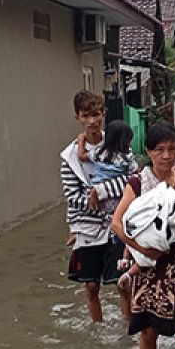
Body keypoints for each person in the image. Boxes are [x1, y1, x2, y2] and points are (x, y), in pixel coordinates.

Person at [112, 123, 175, 349]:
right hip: (148, 266)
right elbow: (117, 224)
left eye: (171, 149)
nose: (166, 156)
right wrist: (140, 248)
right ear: (149, 152)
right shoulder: (138, 183)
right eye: (159, 150)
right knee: (148, 330)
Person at [61, 90, 127, 323]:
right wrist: (91, 201)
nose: (92, 121)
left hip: (116, 222)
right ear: (77, 117)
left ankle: (129, 329)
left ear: (103, 114)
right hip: (87, 225)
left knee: (122, 281)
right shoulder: (69, 157)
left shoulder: (117, 144)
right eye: (86, 115)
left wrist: (101, 192)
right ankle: (97, 327)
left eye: (96, 114)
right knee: (90, 285)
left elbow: (131, 180)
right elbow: (71, 195)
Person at [83, 120, 137, 213]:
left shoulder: (99, 152)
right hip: (116, 196)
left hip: (97, 195)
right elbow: (134, 172)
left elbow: (81, 156)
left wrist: (81, 140)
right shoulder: (126, 157)